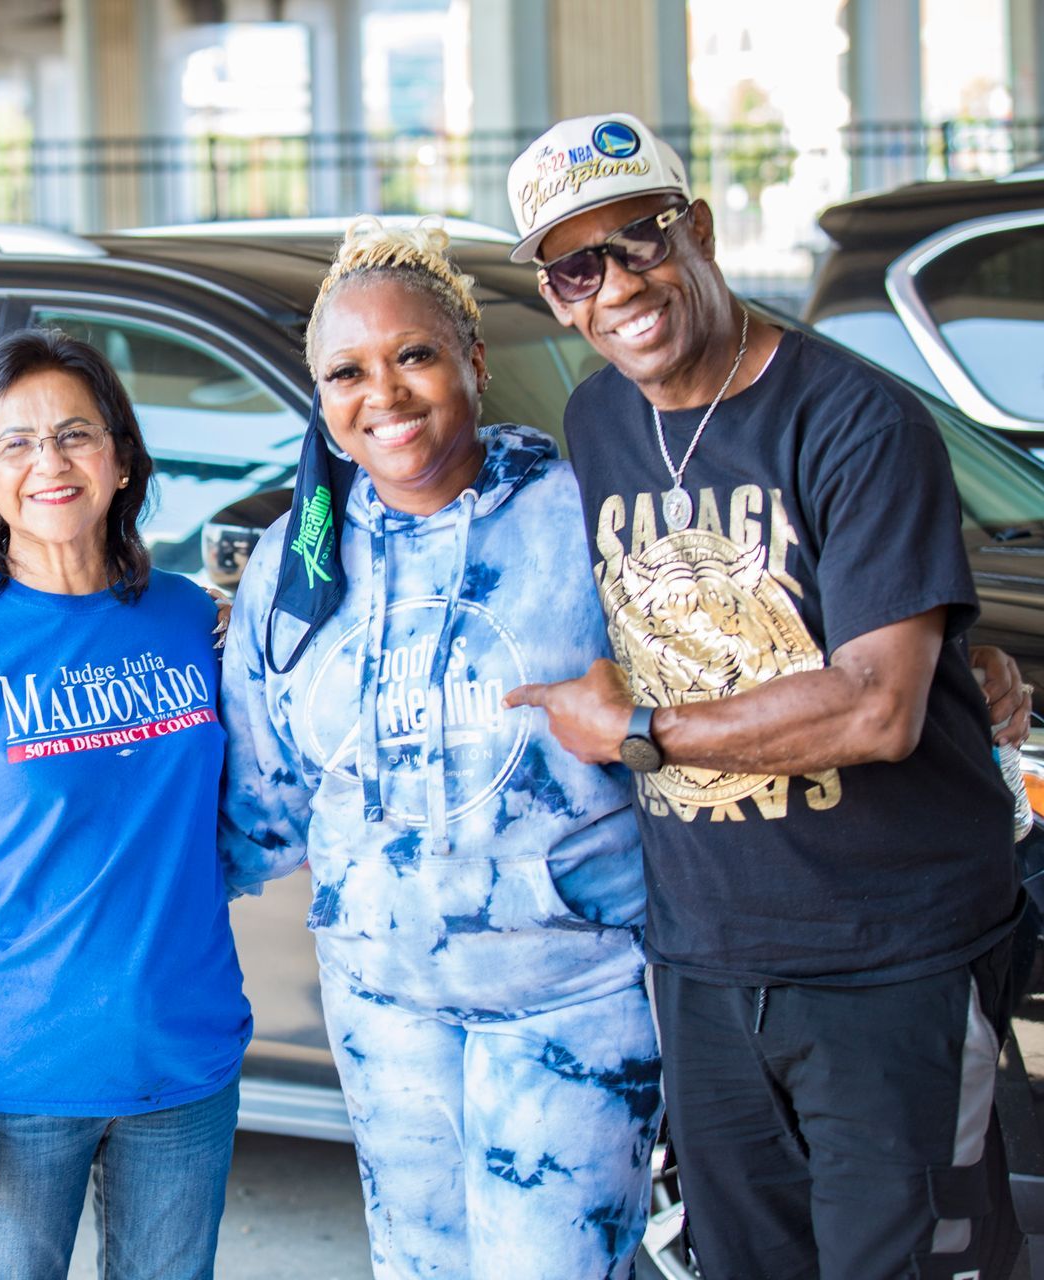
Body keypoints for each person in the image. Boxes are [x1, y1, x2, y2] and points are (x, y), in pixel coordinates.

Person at [503, 112, 1032, 1279]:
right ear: (556, 297)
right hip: (704, 961)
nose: (619, 285)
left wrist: (641, 734)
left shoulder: (855, 419)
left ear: (696, 228)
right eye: (577, 266)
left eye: (639, 240)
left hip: (889, 961)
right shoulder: (595, 420)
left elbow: (876, 708)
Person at [219, 219, 659, 1279]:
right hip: (384, 999)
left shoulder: (585, 515)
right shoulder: (299, 563)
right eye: (348, 371)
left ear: (473, 358)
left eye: (413, 354)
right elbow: (262, 806)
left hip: (574, 991)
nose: (385, 393)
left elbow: (723, 683)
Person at [0, 329, 251, 1280]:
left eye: (74, 433)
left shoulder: (192, 620)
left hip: (186, 1061)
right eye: (16, 445)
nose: (50, 463)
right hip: (15, 1081)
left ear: (120, 459)